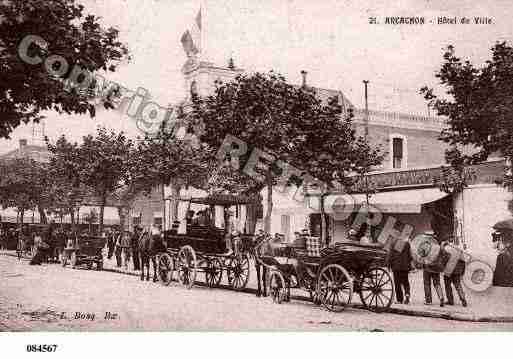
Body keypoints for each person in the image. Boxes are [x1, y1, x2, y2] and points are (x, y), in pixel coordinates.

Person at [421, 232, 446, 307]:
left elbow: (421, 256)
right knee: (437, 283)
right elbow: (443, 255)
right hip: (436, 268)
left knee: (427, 284)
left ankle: (428, 301)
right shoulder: (438, 246)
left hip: (427, 268)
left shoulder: (425, 246)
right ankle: (441, 297)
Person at [386, 239, 413, 304]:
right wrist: (409, 264)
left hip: (396, 266)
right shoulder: (407, 244)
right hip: (405, 266)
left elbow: (390, 255)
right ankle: (407, 294)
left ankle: (399, 299)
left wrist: (388, 264)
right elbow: (410, 255)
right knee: (405, 282)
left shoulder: (394, 242)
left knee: (397, 283)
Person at [441, 241, 468, 306]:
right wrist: (462, 271)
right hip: (457, 271)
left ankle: (450, 301)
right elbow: (463, 262)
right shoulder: (459, 250)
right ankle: (463, 299)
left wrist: (442, 269)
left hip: (448, 270)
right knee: (458, 285)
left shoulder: (446, 249)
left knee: (447, 286)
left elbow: (443, 260)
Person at [492, 221, 513, 287]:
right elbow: (497, 284)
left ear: (509, 241)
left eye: (499, 239)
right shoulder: (501, 258)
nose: (494, 247)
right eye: (495, 239)